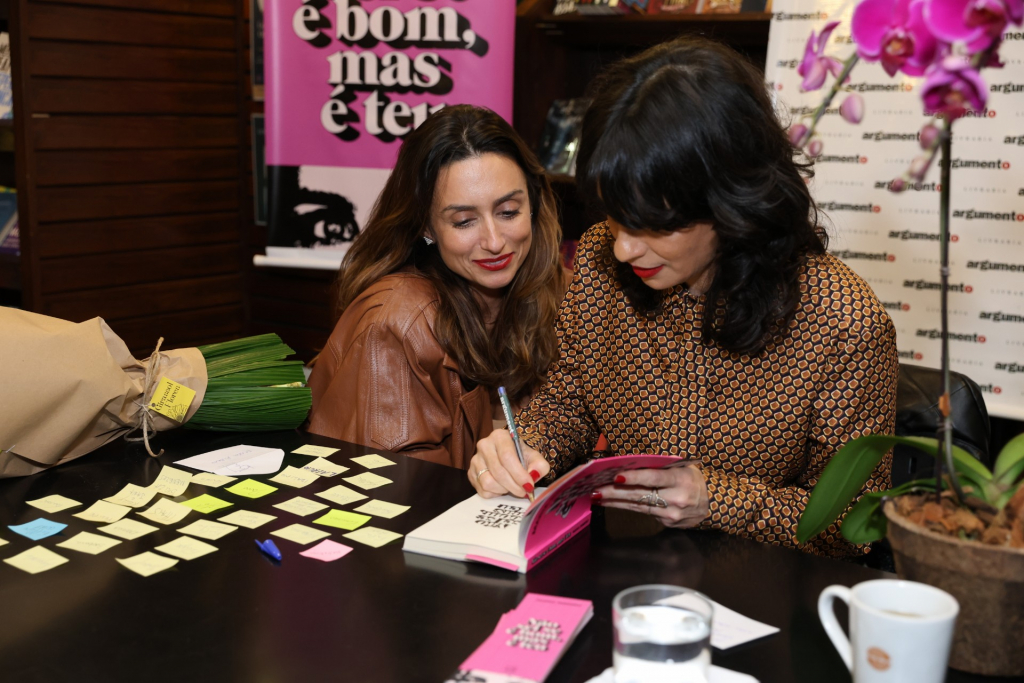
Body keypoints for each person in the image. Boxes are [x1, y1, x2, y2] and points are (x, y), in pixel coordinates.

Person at [467, 37, 898, 558]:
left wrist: (720, 501)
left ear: (730, 199)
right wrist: (525, 447)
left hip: (762, 583)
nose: (624, 247)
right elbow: (570, 399)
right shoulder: (603, 259)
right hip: (625, 563)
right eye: (615, 216)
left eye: (652, 224)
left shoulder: (842, 322)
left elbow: (854, 524)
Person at [307, 105, 565, 470]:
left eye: (508, 211)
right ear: (426, 226)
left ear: (533, 204)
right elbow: (404, 492)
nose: (494, 241)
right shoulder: (396, 325)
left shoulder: (561, 290)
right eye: (464, 221)